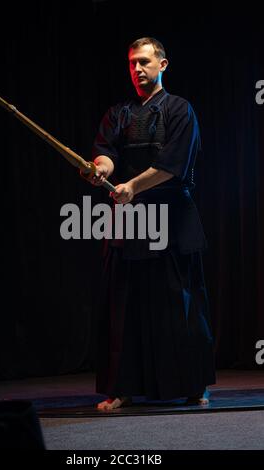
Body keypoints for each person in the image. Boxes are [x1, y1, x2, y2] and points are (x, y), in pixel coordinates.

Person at [84, 37, 216, 411]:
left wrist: (132, 187)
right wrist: (101, 171)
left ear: (163, 64)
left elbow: (174, 163)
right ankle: (123, 387)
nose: (137, 70)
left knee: (182, 304)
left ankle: (195, 384)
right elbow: (105, 154)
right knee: (124, 306)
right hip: (130, 221)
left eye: (144, 62)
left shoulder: (180, 110)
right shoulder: (118, 113)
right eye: (131, 64)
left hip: (173, 217)